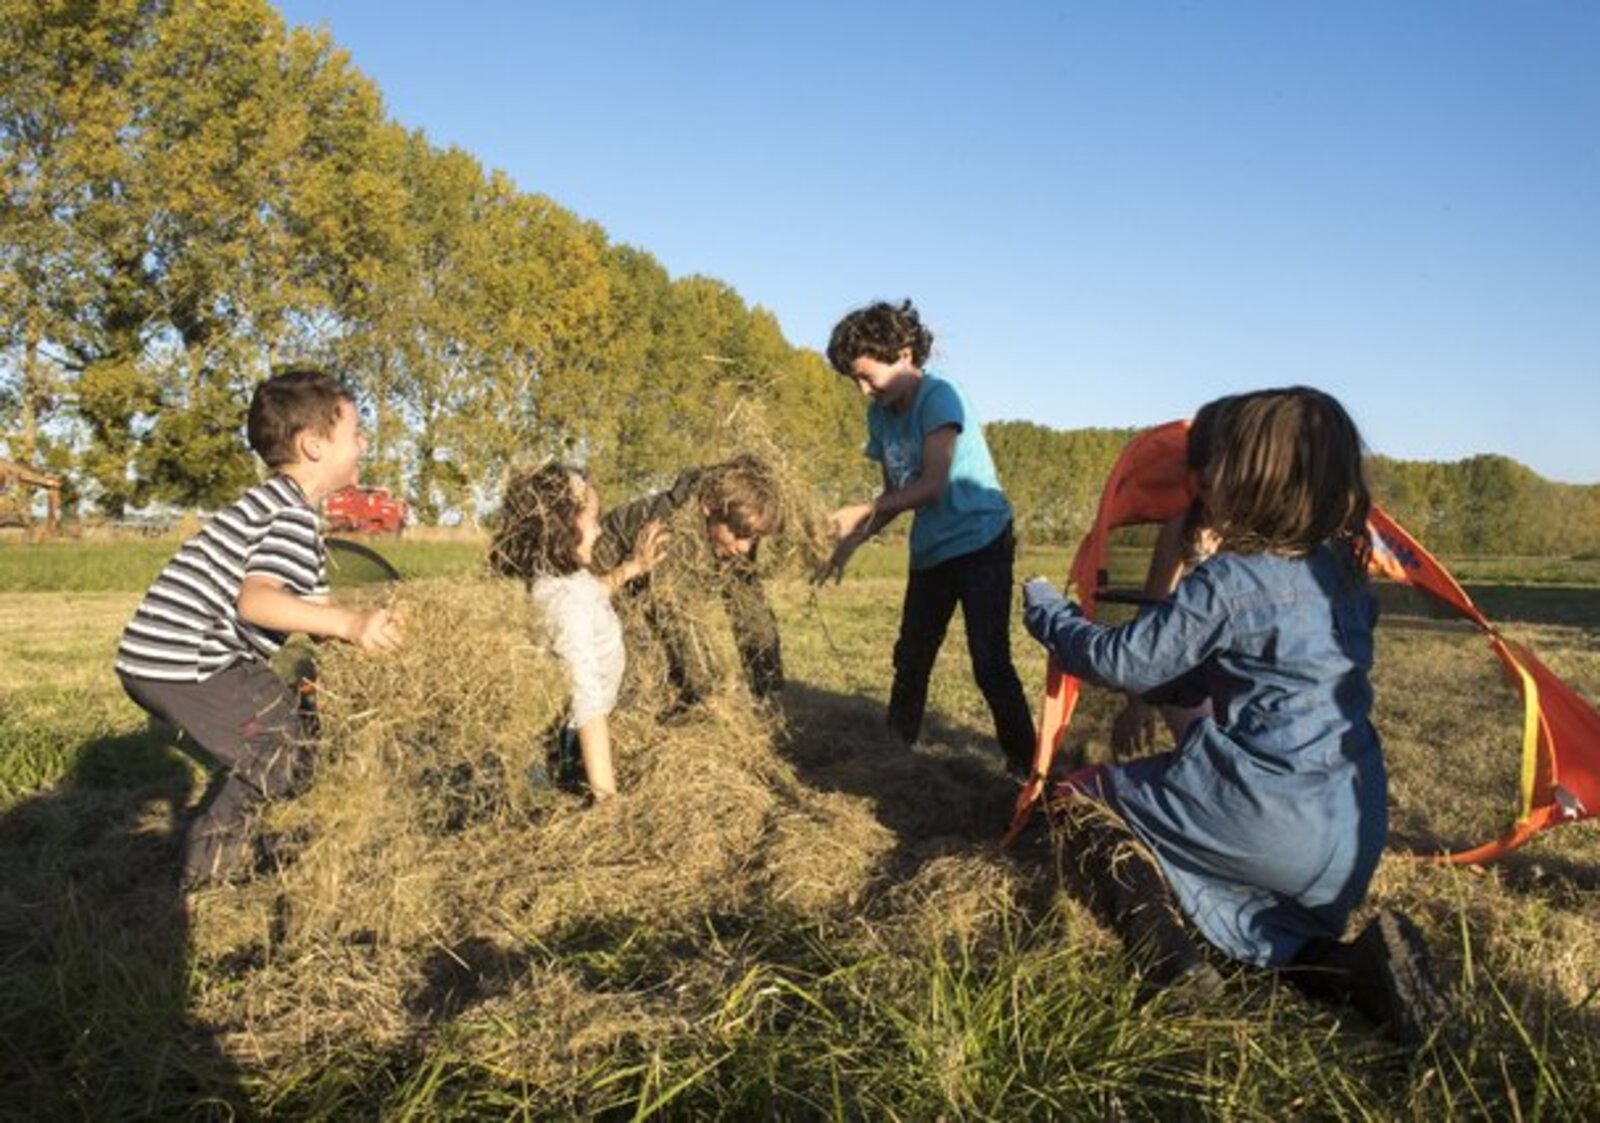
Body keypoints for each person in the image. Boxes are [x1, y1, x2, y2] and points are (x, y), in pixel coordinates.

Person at [1023, 387, 1447, 1045]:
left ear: (1251, 479)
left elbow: (1121, 661)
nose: (1203, 480)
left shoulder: (1232, 579)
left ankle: (1164, 953)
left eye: (1218, 463)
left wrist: (1049, 611)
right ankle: (1354, 970)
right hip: (1347, 835)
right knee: (1268, 929)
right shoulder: (1345, 576)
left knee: (1078, 799)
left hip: (1259, 814)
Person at [115, 368, 403, 889]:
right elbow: (259, 602)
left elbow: (313, 611)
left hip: (164, 653)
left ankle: (245, 846)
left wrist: (358, 629)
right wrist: (351, 623)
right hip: (188, 657)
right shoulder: (291, 516)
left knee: (282, 734)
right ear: (313, 445)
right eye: (355, 433)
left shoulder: (277, 507)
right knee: (281, 748)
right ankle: (208, 877)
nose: (364, 443)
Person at [822, 299, 1035, 776]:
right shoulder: (880, 416)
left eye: (867, 377)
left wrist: (862, 510)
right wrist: (854, 539)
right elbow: (896, 492)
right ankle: (896, 754)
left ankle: (1026, 769)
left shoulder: (939, 396)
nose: (863, 390)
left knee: (989, 662)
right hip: (932, 549)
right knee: (912, 657)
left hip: (981, 540)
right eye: (854, 381)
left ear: (902, 355)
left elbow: (933, 485)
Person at [490, 463, 668, 799]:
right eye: (593, 519)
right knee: (556, 801)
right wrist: (608, 798)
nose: (599, 531)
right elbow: (587, 702)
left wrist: (633, 566)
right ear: (563, 524)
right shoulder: (565, 603)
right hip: (568, 741)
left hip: (579, 729)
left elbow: (595, 593)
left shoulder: (564, 579)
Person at [590, 455, 785, 710]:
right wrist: (712, 693)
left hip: (644, 590)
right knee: (646, 681)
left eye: (753, 538)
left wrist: (769, 689)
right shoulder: (671, 527)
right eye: (739, 535)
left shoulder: (736, 526)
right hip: (602, 591)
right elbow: (678, 615)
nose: (745, 547)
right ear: (709, 505)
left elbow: (750, 608)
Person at [1108, 395, 1237, 756]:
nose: (1208, 477)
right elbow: (1151, 617)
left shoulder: (1270, 537)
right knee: (1208, 755)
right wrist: (1138, 703)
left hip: (1240, 675)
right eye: (1201, 467)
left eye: (1220, 465)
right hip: (1186, 673)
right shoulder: (1182, 530)